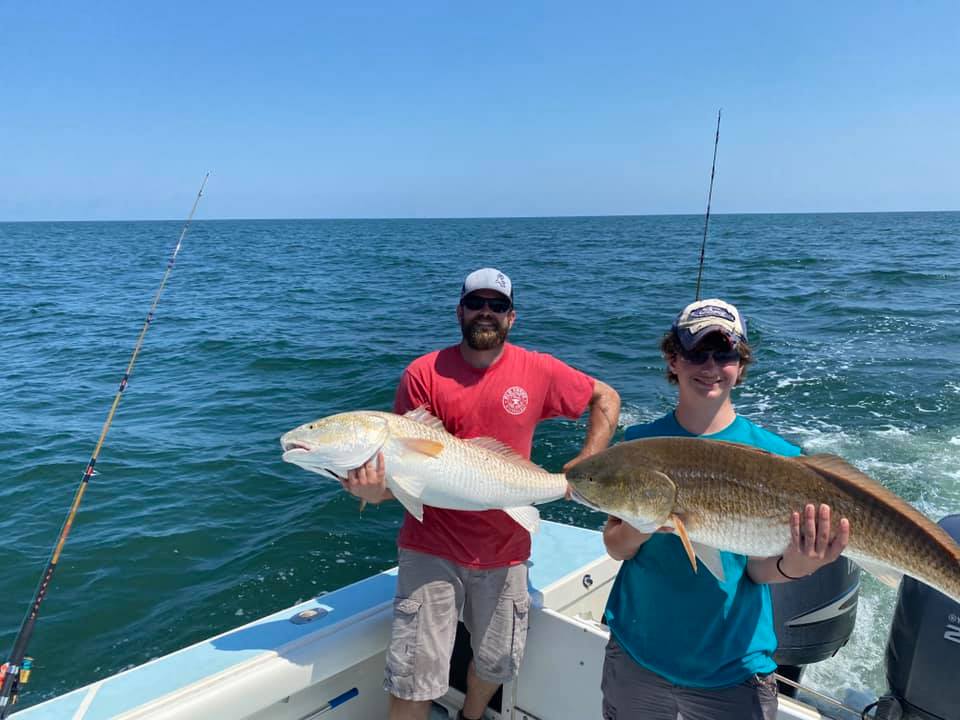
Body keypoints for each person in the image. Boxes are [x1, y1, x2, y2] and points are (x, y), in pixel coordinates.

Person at [344, 267, 621, 720]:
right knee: (413, 677)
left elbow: (605, 397)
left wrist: (586, 463)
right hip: (430, 547)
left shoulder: (539, 369)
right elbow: (407, 478)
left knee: (496, 662)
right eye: (477, 303)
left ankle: (470, 718)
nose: (486, 313)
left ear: (513, 317)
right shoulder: (423, 373)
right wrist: (376, 491)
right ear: (460, 311)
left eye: (498, 306)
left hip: (506, 548)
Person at [601, 299, 851, 720]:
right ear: (673, 358)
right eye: (697, 352)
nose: (711, 365)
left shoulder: (779, 456)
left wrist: (799, 564)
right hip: (637, 651)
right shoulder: (640, 442)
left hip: (732, 664)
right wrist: (647, 519)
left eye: (725, 353)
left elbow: (756, 571)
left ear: (741, 362)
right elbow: (616, 546)